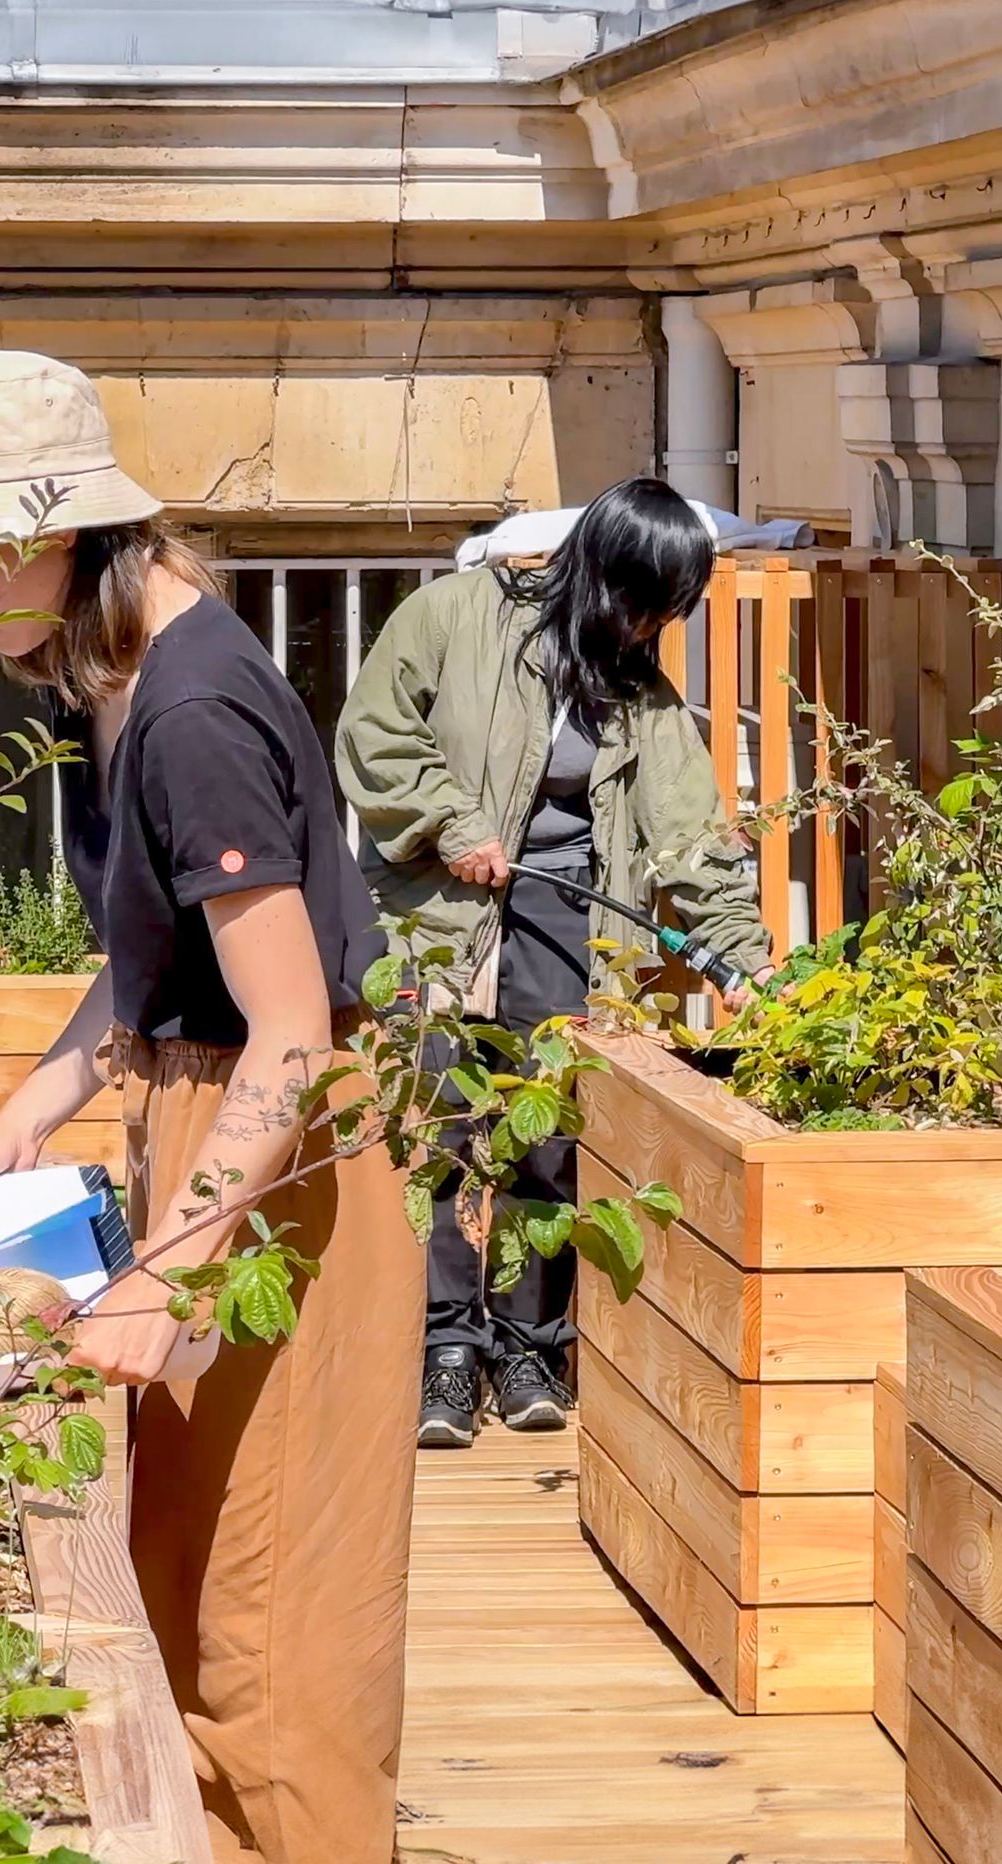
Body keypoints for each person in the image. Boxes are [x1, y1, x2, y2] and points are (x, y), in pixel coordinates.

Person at [0, 350, 422, 1864]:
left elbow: (294, 1029)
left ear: (46, 530)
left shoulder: (196, 711)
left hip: (281, 1164)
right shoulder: (129, 672)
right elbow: (161, 951)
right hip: (213, 1126)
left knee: (272, 1620)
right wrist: (48, 1093)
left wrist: (169, 1267)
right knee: (194, 1570)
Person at [334, 477, 775, 1449]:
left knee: (546, 1140)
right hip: (434, 917)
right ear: (599, 570)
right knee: (438, 1133)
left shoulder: (639, 695)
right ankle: (443, 1352)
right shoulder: (457, 617)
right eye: (647, 598)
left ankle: (529, 1343)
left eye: (670, 607)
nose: (654, 623)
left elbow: (690, 837)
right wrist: (449, 821)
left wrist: (743, 959)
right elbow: (371, 733)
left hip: (559, 917)